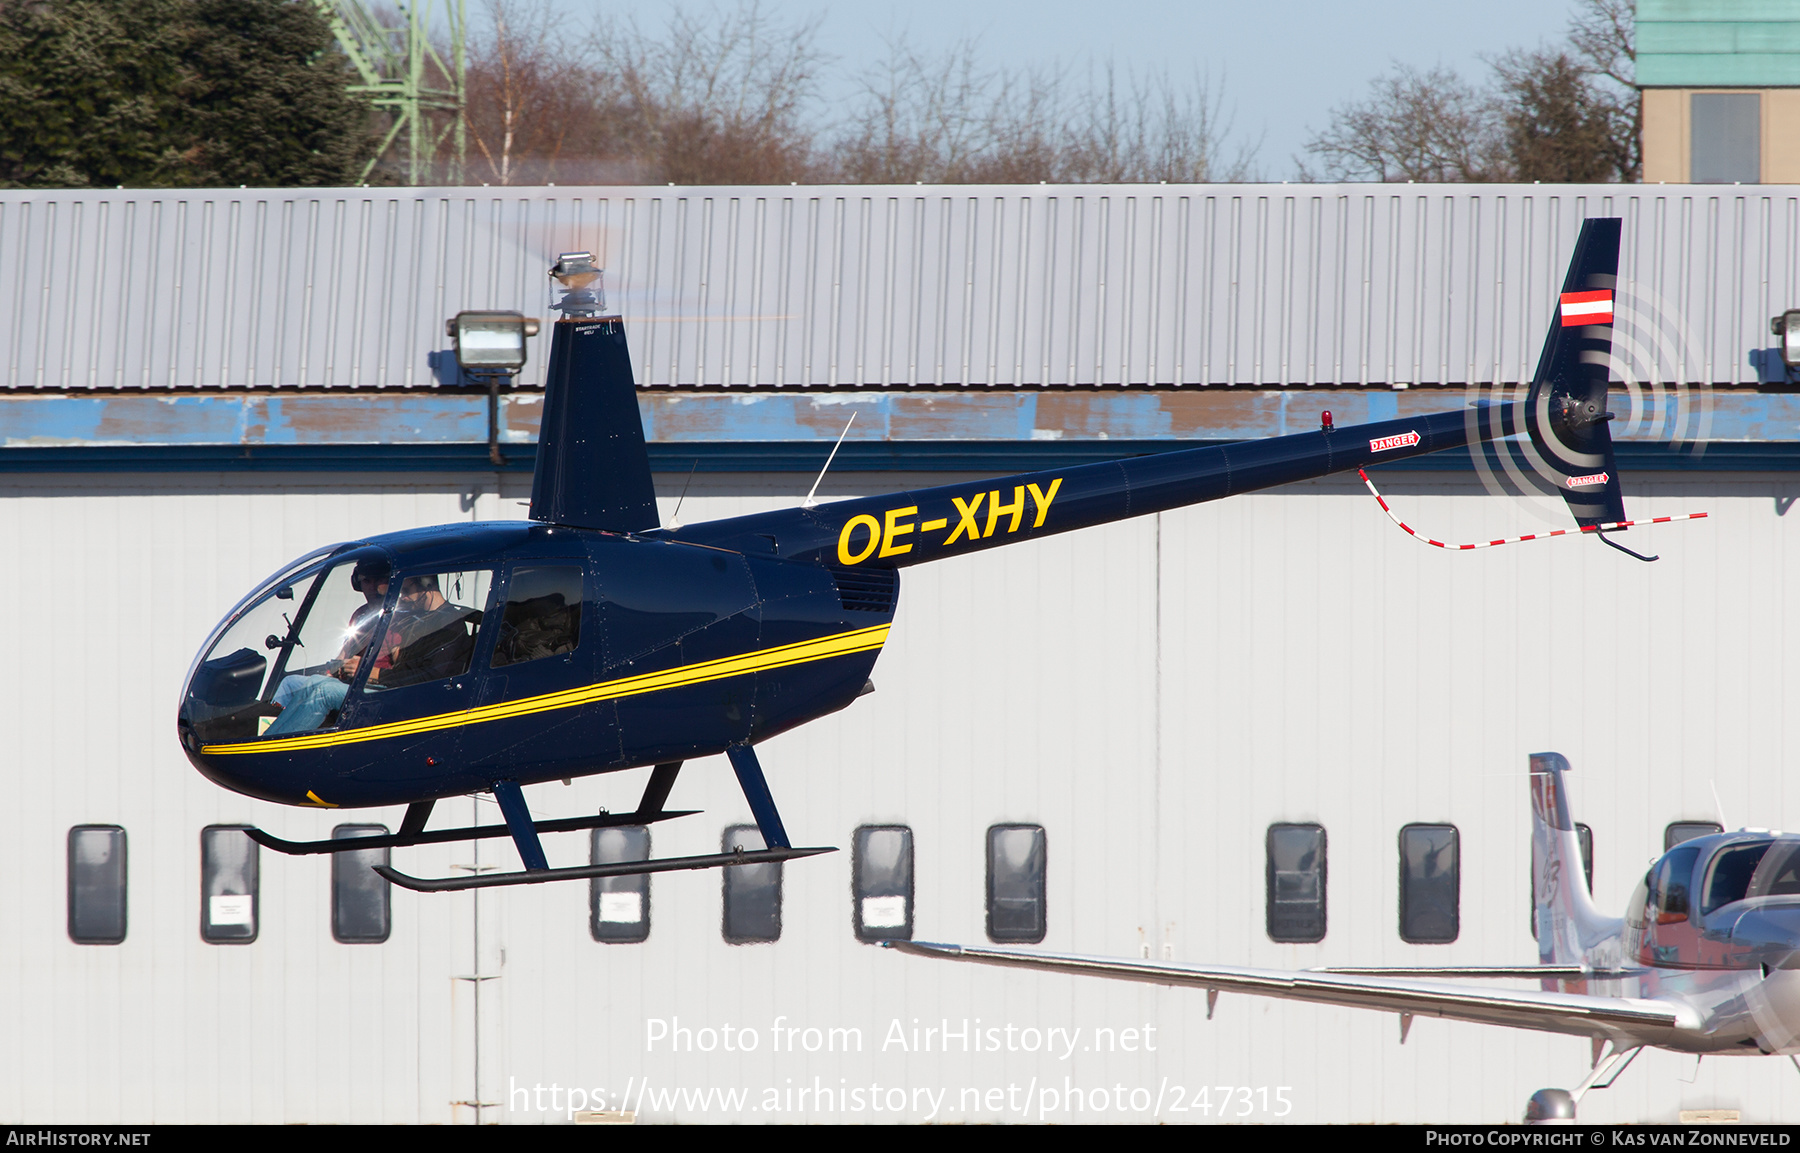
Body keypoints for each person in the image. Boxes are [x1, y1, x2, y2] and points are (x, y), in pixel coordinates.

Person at [263, 560, 393, 736]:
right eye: (366, 581)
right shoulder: (361, 615)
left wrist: (364, 670)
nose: (372, 587)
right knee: (290, 684)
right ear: (358, 584)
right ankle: (266, 735)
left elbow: (399, 670)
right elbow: (344, 653)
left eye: (378, 581)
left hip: (380, 686)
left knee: (324, 691)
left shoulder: (395, 617)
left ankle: (279, 744)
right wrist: (335, 668)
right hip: (354, 680)